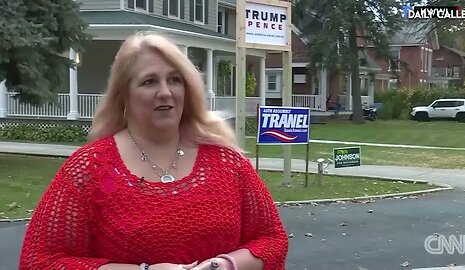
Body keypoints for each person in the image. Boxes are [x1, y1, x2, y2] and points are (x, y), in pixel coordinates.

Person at [19, 32, 289, 270]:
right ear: (123, 95)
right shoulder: (91, 168)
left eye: (174, 80)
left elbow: (272, 239)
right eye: (149, 81)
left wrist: (226, 265)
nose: (165, 92)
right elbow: (40, 261)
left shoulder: (227, 162)